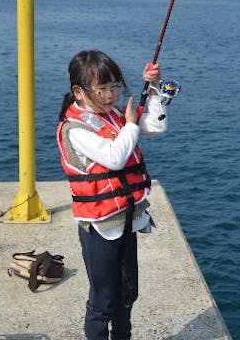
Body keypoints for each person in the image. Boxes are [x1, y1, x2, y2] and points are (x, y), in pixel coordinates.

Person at [56, 50, 167, 340]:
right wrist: (131, 124)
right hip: (100, 230)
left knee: (126, 297)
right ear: (78, 92)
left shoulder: (115, 116)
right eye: (102, 89)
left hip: (127, 221)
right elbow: (115, 157)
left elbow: (155, 125)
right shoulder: (76, 129)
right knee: (102, 303)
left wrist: (153, 87)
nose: (110, 95)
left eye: (114, 87)